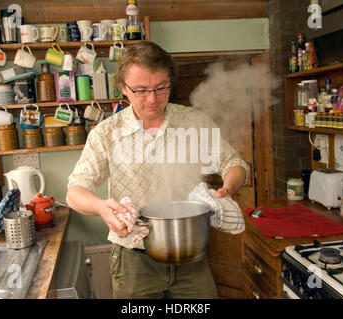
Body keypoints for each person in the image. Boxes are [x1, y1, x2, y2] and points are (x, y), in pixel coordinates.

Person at [66, 41, 249, 299]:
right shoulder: (106, 133)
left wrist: (227, 189)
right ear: (124, 89)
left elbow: (234, 163)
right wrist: (102, 208)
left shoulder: (193, 121)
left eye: (161, 88)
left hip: (190, 255)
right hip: (134, 259)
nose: (152, 99)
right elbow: (75, 191)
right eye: (140, 90)